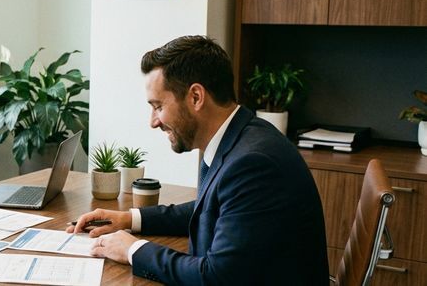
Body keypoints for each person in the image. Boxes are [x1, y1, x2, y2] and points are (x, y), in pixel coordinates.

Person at [67, 35, 328, 284]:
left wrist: (133, 250)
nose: (153, 122)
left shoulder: (253, 163)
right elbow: (210, 209)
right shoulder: (240, 136)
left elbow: (216, 278)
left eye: (158, 106)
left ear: (196, 97)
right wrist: (130, 219)